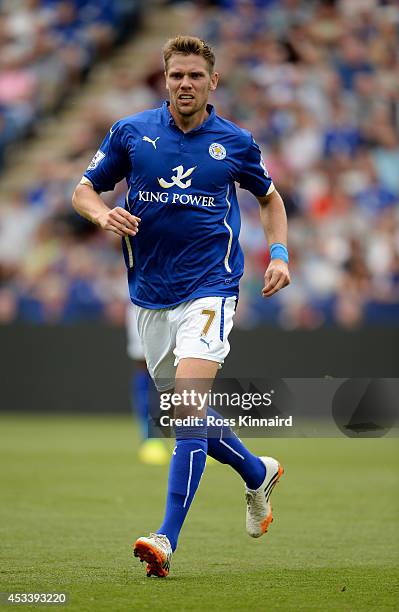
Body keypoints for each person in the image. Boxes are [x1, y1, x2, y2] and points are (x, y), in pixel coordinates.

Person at [72, 35, 290, 578]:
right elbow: (82, 190)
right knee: (183, 415)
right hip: (150, 296)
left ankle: (166, 538)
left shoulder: (235, 142)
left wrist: (280, 254)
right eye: (176, 76)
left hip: (211, 289)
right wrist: (102, 216)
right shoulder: (132, 133)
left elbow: (269, 199)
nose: (185, 84)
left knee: (188, 405)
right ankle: (255, 469)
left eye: (195, 75)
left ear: (212, 82)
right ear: (164, 80)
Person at [126, 303, 169, 465]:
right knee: (146, 365)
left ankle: (194, 436)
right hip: (145, 301)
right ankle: (150, 438)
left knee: (188, 365)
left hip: (185, 299)